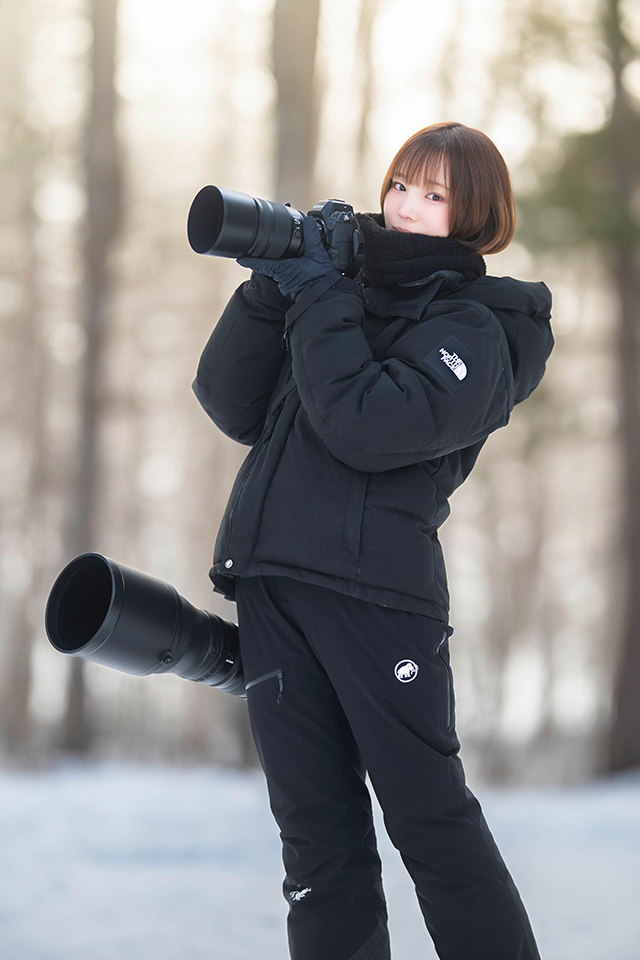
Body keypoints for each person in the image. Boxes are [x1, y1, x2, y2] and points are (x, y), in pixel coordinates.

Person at [192, 121, 553, 960]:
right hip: (275, 584)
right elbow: (230, 402)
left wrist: (322, 295)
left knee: (431, 824)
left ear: (476, 215)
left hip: (377, 601)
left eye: (435, 193)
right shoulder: (343, 295)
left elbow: (369, 426)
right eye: (399, 184)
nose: (405, 205)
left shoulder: (476, 329)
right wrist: (276, 286)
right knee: (316, 848)